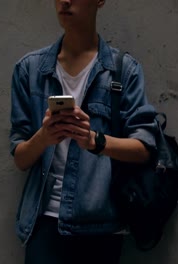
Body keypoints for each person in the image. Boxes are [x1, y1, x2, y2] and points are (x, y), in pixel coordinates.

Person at [9, 0, 157, 263]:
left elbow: (144, 149)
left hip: (102, 226)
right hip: (44, 225)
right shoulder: (29, 70)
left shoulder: (123, 71)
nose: (65, 1)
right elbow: (20, 158)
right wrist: (44, 137)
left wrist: (94, 140)